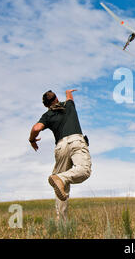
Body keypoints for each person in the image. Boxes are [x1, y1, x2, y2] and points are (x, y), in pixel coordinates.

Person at [29, 89, 92, 220]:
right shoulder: (68, 105)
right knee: (83, 171)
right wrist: (68, 92)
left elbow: (36, 128)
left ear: (45, 105)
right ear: (57, 98)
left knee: (61, 187)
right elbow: (69, 97)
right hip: (76, 141)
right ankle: (62, 178)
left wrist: (32, 140)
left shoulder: (47, 115)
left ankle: (61, 224)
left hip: (60, 146)